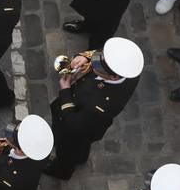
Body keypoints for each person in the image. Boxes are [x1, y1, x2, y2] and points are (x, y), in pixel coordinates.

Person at [42, 36, 145, 180]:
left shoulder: (99, 106)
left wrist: (65, 91)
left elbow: (73, 126)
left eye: (97, 67)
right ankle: (81, 157)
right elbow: (101, 53)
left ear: (114, 77)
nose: (93, 64)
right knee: (81, 148)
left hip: (79, 125)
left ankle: (61, 171)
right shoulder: (125, 68)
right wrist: (85, 56)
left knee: (67, 150)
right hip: (87, 123)